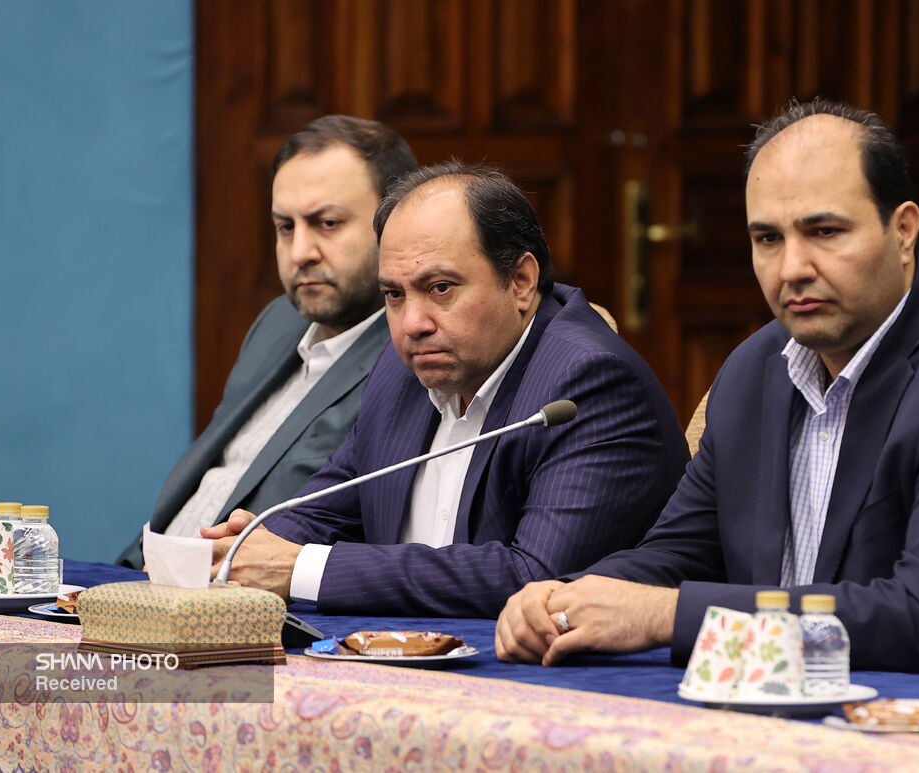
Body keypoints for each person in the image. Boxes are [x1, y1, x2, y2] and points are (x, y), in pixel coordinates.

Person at [494, 100, 919, 683]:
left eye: (825, 231)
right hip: (784, 702)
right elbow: (677, 554)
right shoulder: (756, 367)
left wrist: (662, 616)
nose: (792, 269)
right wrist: (564, 599)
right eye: (768, 239)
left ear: (903, 231)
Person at [203, 160, 690, 618]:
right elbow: (323, 511)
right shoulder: (404, 371)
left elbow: (535, 577)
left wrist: (302, 569)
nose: (412, 324)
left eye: (440, 288)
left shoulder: (589, 383)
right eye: (394, 295)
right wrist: (245, 551)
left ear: (521, 281)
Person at [116, 115, 418, 569]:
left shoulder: (413, 353)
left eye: (328, 223)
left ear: (396, 223)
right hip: (145, 576)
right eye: (285, 227)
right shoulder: (280, 322)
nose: (300, 253)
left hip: (241, 598)